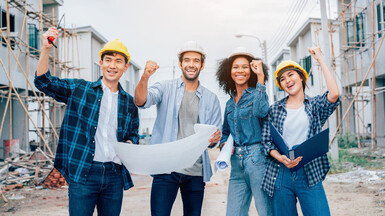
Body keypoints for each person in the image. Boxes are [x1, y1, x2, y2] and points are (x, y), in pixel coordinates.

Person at [34, 28, 139, 216]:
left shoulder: (129, 102)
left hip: (114, 174)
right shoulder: (80, 90)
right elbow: (44, 82)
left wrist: (130, 143)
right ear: (101, 63)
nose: (112, 65)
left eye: (118, 61)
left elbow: (133, 134)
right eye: (108, 60)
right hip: (84, 172)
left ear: (126, 67)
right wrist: (46, 49)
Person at [134, 41, 222, 216]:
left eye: (196, 60)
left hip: (196, 171)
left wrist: (215, 139)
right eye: (187, 60)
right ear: (180, 64)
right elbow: (141, 101)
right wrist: (145, 77)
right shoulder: (165, 88)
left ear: (202, 65)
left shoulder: (211, 99)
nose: (191, 64)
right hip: (166, 168)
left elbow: (213, 140)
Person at [261, 47, 340, 216]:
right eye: (282, 79)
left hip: (309, 172)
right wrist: (280, 158)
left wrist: (320, 60)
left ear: (302, 77)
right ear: (281, 85)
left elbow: (334, 94)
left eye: (291, 75)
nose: (287, 80)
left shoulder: (315, 106)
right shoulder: (275, 109)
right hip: (281, 173)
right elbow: (267, 142)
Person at [216, 47, 272, 216]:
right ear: (229, 71)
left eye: (245, 66)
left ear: (252, 70)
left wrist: (261, 77)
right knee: (234, 213)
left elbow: (262, 112)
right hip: (236, 163)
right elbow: (226, 131)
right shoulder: (229, 103)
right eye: (235, 67)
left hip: (258, 160)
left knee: (265, 211)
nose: (240, 70)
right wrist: (224, 143)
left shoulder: (257, 94)